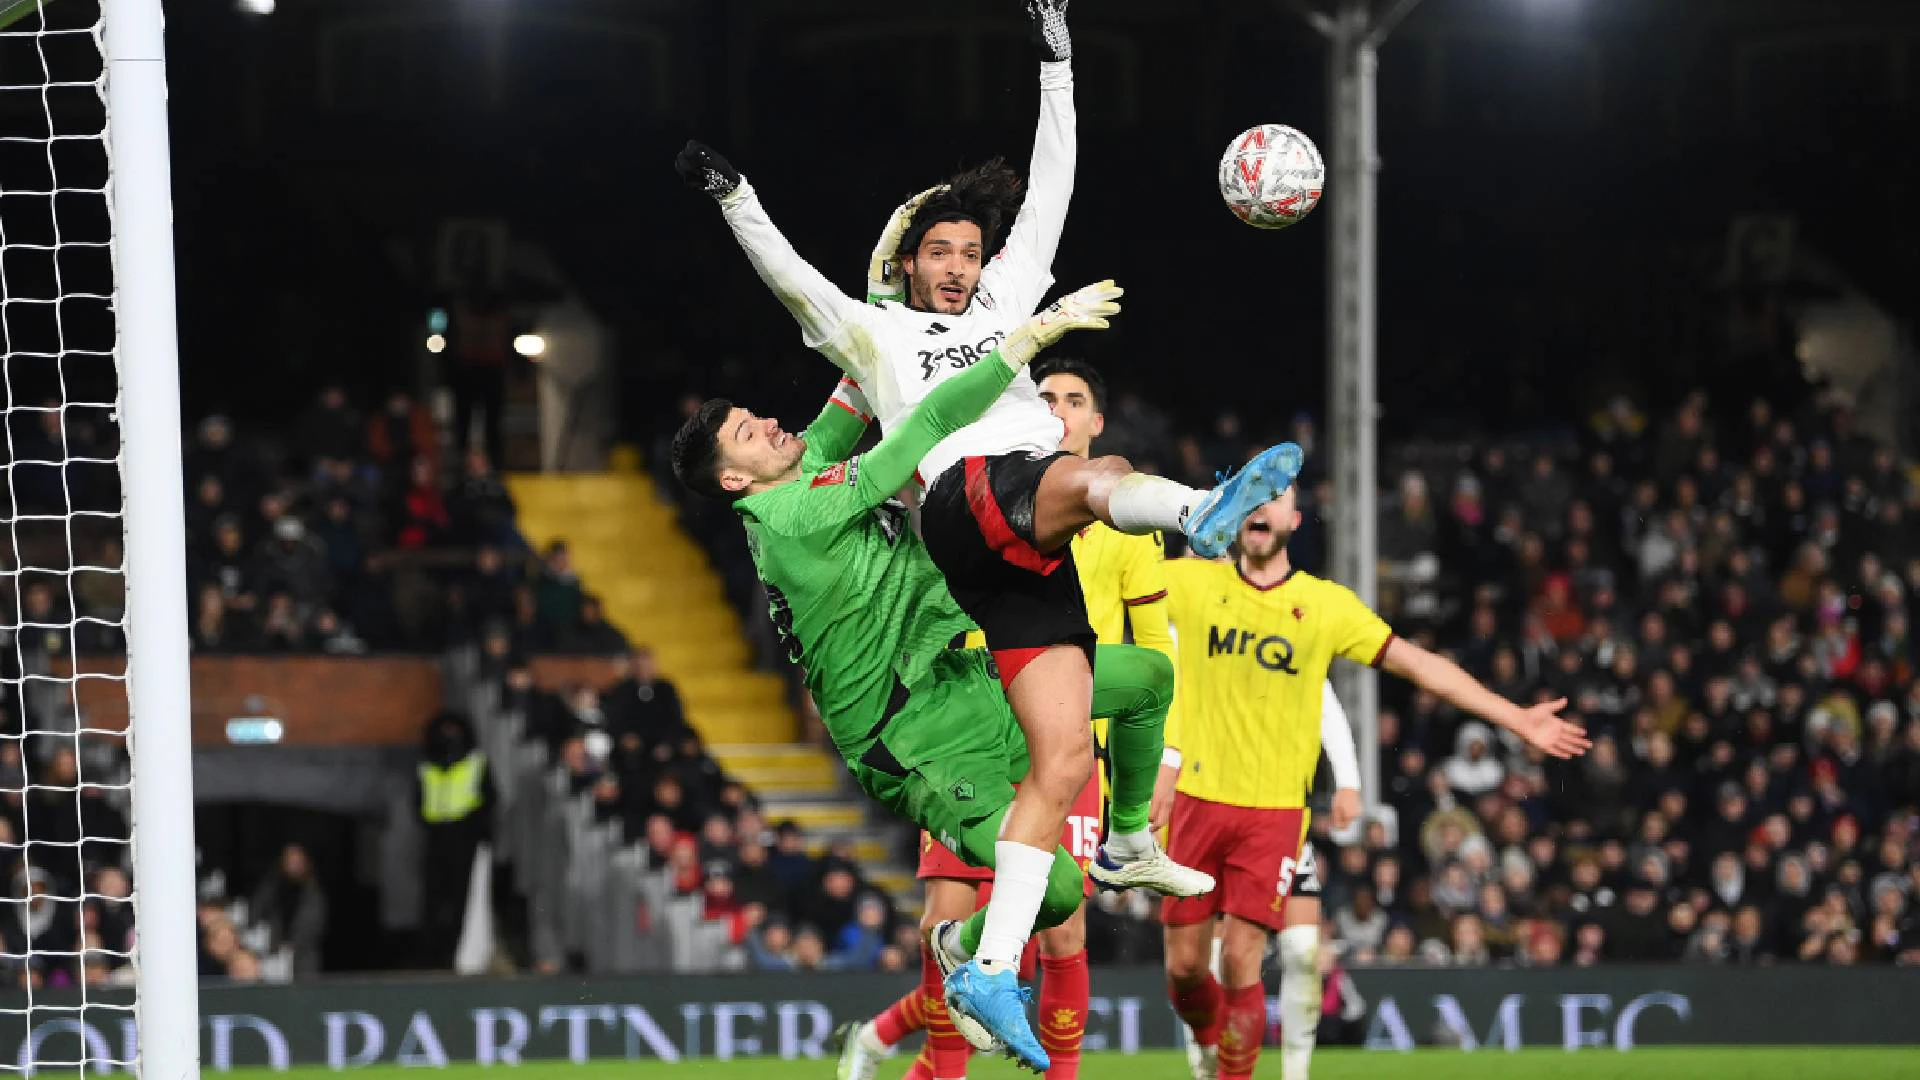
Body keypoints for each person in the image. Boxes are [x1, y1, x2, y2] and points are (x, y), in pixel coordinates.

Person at [677, 1, 1296, 1006]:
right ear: (908, 265)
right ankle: (1200, 513)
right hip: (970, 509)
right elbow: (793, 283)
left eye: (970, 252)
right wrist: (737, 196)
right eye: (940, 254)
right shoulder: (874, 340)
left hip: (1006, 569)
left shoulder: (1007, 295)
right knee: (1088, 479)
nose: (958, 267)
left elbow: (1053, 183)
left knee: (1120, 701)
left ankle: (1103, 862)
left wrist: (1058, 61)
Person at [670, 283, 1209, 1072]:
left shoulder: (805, 463)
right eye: (752, 434)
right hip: (914, 737)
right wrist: (1015, 348)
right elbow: (923, 419)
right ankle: (959, 945)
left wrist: (887, 298)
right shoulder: (786, 523)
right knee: (1058, 895)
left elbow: (863, 383)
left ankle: (1129, 841)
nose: (774, 425)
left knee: (1148, 681)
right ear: (734, 482)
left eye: (760, 417)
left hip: (966, 671)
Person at [1154, 483, 1591, 1080]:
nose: (1262, 507)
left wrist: (1515, 718)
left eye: (1276, 497)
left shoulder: (1326, 605)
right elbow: (1115, 586)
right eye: (1251, 495)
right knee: (1184, 971)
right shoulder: (1193, 584)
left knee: (1240, 959)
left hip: (1275, 814)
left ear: (1295, 519)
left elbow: (1420, 665)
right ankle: (1208, 1040)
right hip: (1196, 804)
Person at [834, 357, 1182, 1080]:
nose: (1057, 406)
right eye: (1045, 394)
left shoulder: (1125, 523)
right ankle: (930, 1061)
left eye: (1073, 398)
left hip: (1064, 737)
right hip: (974, 725)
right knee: (945, 917)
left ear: (1093, 423)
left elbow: (1153, 648)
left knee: (1061, 930)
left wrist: (1164, 761)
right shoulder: (969, 498)